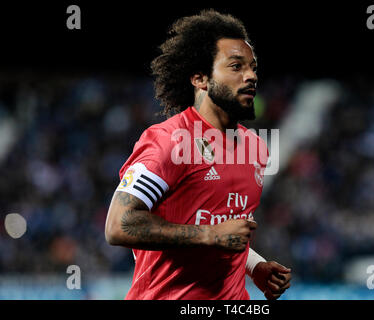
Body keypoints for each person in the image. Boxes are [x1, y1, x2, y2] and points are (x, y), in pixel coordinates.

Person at [104, 9, 291, 300]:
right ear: (200, 78)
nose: (251, 76)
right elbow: (118, 225)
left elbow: (225, 225)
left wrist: (256, 267)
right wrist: (209, 235)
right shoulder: (168, 141)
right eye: (236, 66)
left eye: (253, 67)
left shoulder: (257, 148)